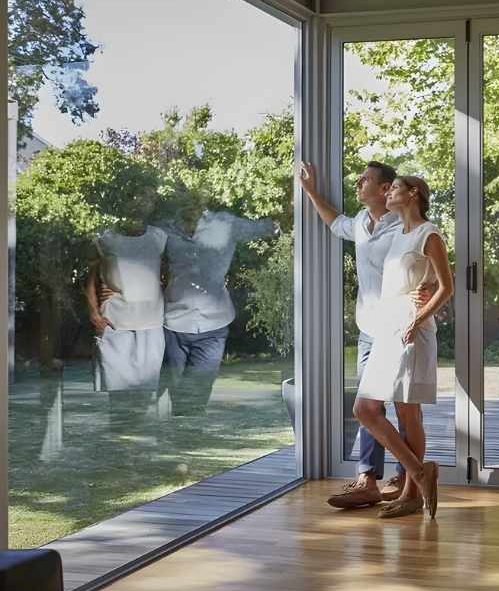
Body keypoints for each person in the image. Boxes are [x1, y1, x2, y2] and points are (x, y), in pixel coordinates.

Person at [298, 160, 432, 509]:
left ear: (386, 189)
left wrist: (427, 290)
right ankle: (368, 479)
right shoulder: (359, 223)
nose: (359, 183)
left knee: (404, 409)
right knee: (369, 406)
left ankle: (408, 482)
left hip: (399, 327)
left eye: (366, 179)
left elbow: (423, 258)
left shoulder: (401, 227)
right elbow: (333, 220)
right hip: (369, 329)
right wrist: (310, 190)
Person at [354, 175, 453, 519]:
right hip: (388, 329)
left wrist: (418, 316)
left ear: (413, 194)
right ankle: (420, 471)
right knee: (365, 409)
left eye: (394, 187)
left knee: (409, 413)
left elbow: (446, 287)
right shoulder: (397, 233)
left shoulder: (430, 233)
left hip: (413, 332)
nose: (389, 192)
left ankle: (412, 494)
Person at [158, 192, 276, 417]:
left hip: (214, 322)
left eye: (195, 196)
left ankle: (190, 438)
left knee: (198, 391)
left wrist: (290, 211)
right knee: (176, 390)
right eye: (184, 195)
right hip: (174, 321)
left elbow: (266, 227)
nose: (190, 201)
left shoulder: (226, 224)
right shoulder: (165, 229)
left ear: (204, 199)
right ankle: (183, 436)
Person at [86, 189, 167, 429]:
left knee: (144, 394)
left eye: (145, 200)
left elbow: (170, 271)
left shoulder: (159, 237)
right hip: (116, 322)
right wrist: (94, 314)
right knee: (119, 394)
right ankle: (120, 444)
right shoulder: (106, 238)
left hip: (151, 323)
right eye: (133, 199)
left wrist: (154, 286)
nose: (139, 206)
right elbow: (90, 280)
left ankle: (137, 446)